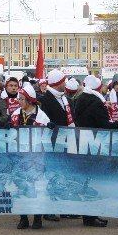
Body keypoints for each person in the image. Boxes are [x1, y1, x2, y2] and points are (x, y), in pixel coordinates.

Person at [74, 75, 118, 228]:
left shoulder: (81, 99)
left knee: (87, 178)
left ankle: (89, 215)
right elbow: (103, 125)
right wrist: (117, 123)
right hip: (94, 144)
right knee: (92, 179)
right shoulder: (95, 102)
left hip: (84, 143)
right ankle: (90, 217)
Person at [11, 83, 51, 230]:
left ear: (29, 101)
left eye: (22, 99)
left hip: (36, 156)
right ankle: (23, 218)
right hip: (19, 155)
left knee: (36, 184)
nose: (19, 101)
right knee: (20, 184)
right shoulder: (16, 114)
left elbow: (47, 136)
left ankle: (37, 217)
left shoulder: (42, 117)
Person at [38, 69, 76, 222]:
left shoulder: (66, 99)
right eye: (63, 81)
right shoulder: (45, 100)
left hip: (66, 141)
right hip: (52, 143)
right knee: (52, 174)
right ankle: (49, 208)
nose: (65, 84)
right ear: (58, 83)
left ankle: (64, 207)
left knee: (64, 174)